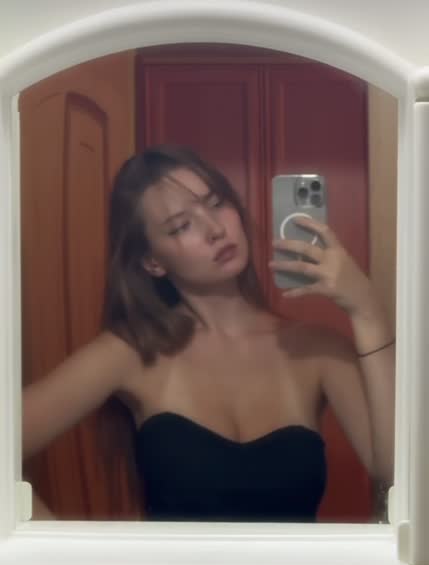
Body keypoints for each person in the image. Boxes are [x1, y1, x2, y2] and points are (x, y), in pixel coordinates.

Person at [23, 144, 395, 522]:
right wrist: (58, 553)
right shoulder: (132, 352)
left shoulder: (318, 350)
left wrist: (367, 310)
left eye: (216, 203)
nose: (215, 229)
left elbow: (399, 474)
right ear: (152, 262)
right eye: (181, 226)